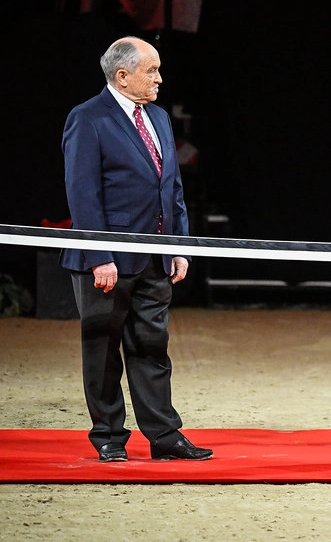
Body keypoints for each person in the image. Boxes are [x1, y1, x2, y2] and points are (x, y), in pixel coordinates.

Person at [61, 36, 213, 463]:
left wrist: (178, 247)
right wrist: (100, 256)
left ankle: (165, 436)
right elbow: (83, 193)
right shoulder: (88, 118)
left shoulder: (159, 117)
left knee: (152, 346)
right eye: (152, 70)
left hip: (155, 257)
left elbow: (172, 189)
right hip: (107, 261)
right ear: (123, 75)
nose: (159, 78)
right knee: (103, 350)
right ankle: (109, 436)